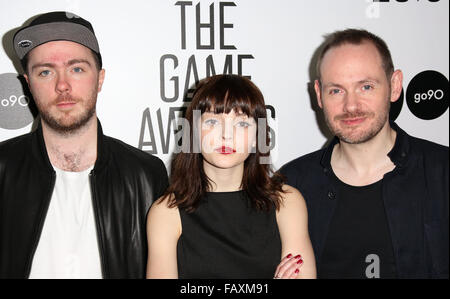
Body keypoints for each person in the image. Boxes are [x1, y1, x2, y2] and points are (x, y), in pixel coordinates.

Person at [0, 11, 168, 279]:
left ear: (100, 79)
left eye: (76, 68)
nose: (62, 85)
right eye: (45, 72)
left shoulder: (146, 175)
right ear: (28, 85)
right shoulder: (3, 170)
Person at [280, 29, 449, 279]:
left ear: (394, 86)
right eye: (336, 90)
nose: (351, 106)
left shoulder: (442, 173)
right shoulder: (292, 185)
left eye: (366, 87)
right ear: (319, 94)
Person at [146, 74, 316, 279]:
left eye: (242, 124)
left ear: (258, 136)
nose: (226, 135)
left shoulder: (287, 202)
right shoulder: (166, 212)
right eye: (212, 121)